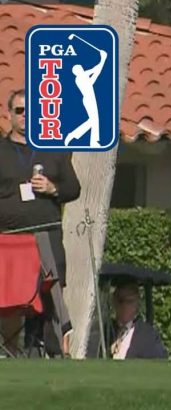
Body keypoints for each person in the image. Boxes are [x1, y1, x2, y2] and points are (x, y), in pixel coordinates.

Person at [0, 89, 80, 357]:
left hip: (46, 236)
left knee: (53, 292)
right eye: (19, 111)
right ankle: (11, 354)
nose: (24, 116)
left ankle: (58, 354)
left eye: (30, 111)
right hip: (9, 239)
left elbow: (73, 188)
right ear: (9, 115)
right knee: (9, 297)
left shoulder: (54, 148)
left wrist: (52, 188)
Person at [109, 282, 167, 360]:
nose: (125, 306)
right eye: (121, 301)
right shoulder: (105, 332)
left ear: (137, 304)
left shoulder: (148, 336)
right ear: (114, 302)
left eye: (130, 302)